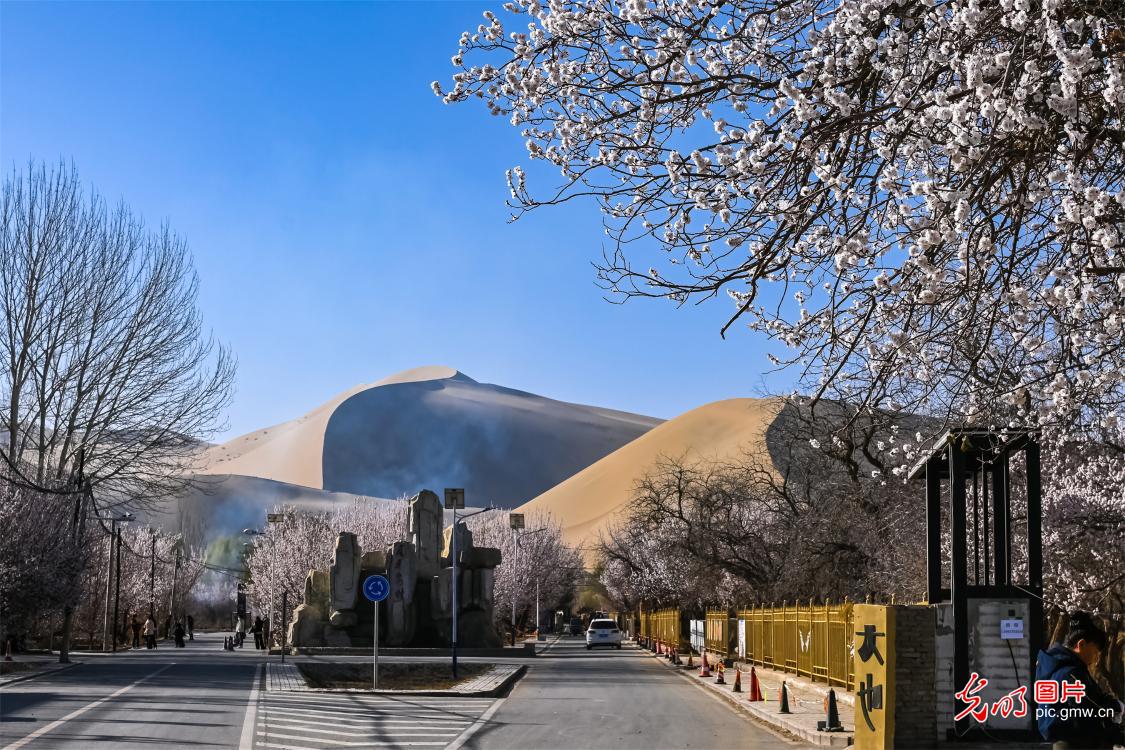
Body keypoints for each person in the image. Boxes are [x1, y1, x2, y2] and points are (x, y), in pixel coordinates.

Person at [1035, 611, 1124, 749]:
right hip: (1076, 744)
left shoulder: (1062, 669)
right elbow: (1090, 714)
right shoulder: (1071, 674)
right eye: (1095, 652)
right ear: (1081, 644)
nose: (1096, 659)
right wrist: (1115, 707)